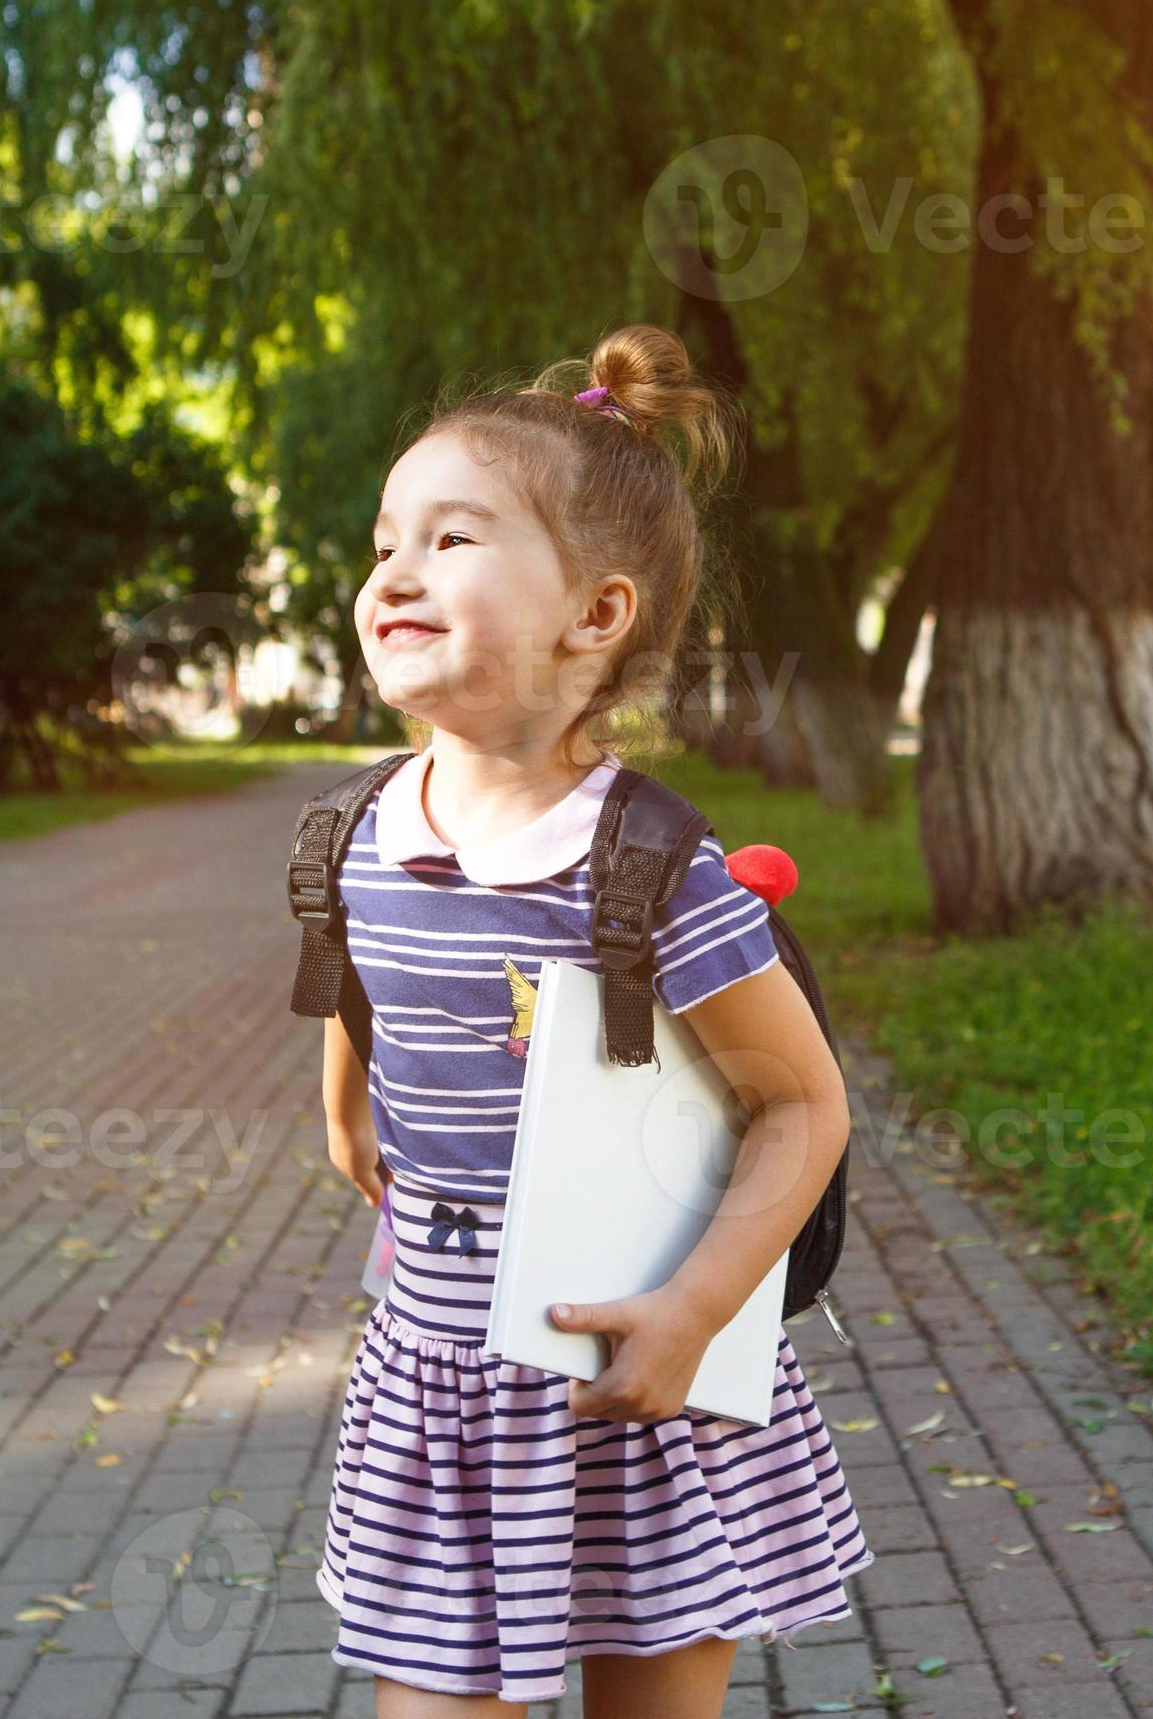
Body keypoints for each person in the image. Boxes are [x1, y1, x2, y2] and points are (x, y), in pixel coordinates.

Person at [312, 324, 874, 1715]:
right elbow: (353, 974)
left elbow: (801, 1106)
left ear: (596, 614)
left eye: (453, 539)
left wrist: (695, 1308)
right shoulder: (353, 833)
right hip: (441, 1375)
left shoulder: (650, 867)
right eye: (387, 539)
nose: (394, 569)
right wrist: (343, 1109)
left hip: (639, 1363)